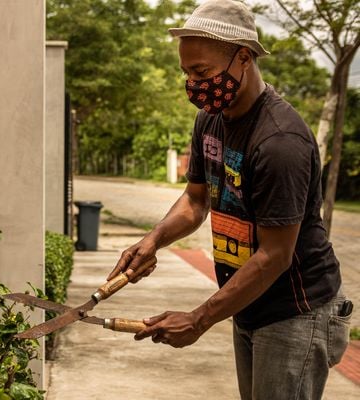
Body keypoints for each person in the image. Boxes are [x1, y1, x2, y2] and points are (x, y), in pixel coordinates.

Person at [106, 1, 353, 399]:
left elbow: (275, 256)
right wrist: (152, 241)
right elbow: (195, 201)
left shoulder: (279, 142)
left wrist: (199, 319)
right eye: (186, 73)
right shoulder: (210, 117)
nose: (193, 84)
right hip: (250, 301)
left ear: (243, 57)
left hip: (296, 311)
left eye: (201, 72)